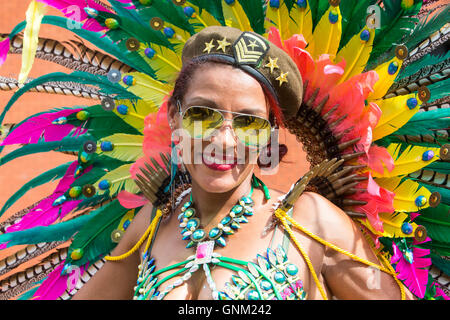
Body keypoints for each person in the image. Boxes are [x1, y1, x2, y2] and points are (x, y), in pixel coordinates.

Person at [72, 26, 414, 300]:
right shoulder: (152, 223)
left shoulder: (311, 223)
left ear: (269, 134)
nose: (224, 140)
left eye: (248, 122)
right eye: (202, 115)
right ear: (175, 117)